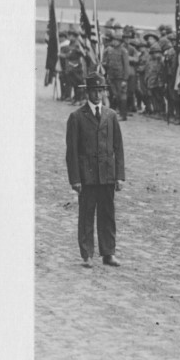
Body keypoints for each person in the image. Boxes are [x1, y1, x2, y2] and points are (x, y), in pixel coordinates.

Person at [65, 75, 125, 268]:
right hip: (87, 176)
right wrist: (75, 179)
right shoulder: (77, 117)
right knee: (86, 215)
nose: (98, 94)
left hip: (107, 175)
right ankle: (87, 254)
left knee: (107, 215)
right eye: (94, 91)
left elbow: (118, 148)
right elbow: (72, 152)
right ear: (87, 92)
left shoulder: (111, 115)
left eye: (101, 90)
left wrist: (120, 176)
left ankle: (109, 252)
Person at [102, 35, 131, 120]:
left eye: (116, 40)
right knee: (115, 95)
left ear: (120, 42)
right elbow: (107, 62)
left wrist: (125, 79)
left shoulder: (123, 51)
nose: (114, 42)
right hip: (112, 76)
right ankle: (117, 113)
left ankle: (123, 115)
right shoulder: (110, 50)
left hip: (120, 77)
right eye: (113, 40)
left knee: (122, 95)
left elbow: (126, 65)